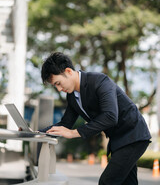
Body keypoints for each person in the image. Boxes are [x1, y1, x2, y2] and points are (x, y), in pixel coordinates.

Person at [40, 52, 151, 185]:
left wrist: (74, 133)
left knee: (107, 182)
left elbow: (110, 116)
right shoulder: (72, 96)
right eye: (55, 86)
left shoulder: (100, 81)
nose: (59, 89)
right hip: (119, 141)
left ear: (68, 71)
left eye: (58, 83)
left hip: (133, 136)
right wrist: (37, 133)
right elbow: (65, 124)